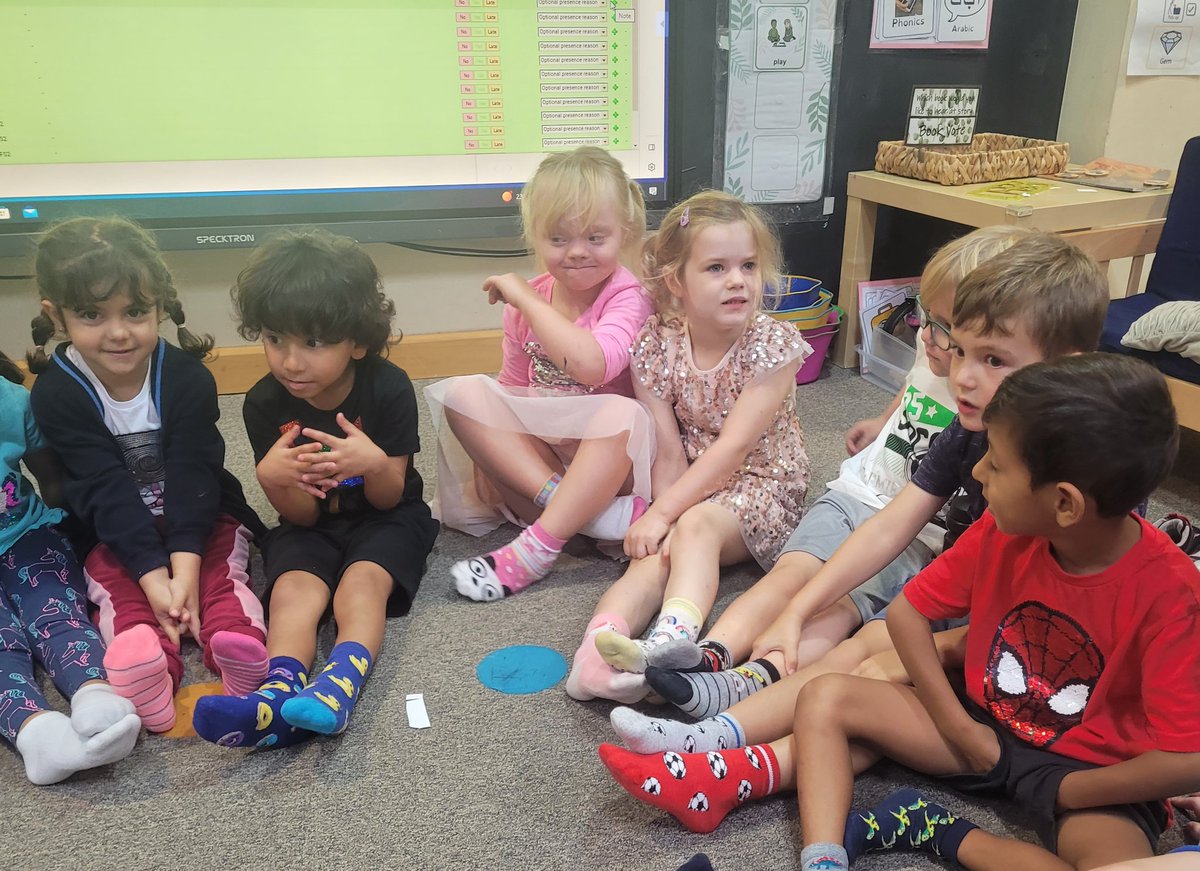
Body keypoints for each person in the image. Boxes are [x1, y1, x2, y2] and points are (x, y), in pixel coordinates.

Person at [596, 233, 1112, 834]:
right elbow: (896, 526)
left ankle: (723, 763)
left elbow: (1086, 605)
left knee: (864, 679)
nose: (963, 378)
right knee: (858, 653)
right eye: (960, 349)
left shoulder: (1077, 474)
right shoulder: (975, 428)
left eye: (992, 360)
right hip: (977, 620)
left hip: (1024, 662)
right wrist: (799, 612)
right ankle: (709, 736)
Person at [786, 354, 1200, 871]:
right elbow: (907, 616)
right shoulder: (1001, 528)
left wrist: (1072, 791)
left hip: (1093, 771)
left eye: (997, 464)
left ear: (1065, 505)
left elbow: (1188, 761)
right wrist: (957, 726)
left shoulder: (1174, 595)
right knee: (824, 696)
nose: (978, 470)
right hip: (983, 728)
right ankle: (823, 861)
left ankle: (946, 833)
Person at [639, 226, 1032, 721]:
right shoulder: (940, 357)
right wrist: (883, 420)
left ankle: (751, 681)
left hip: (916, 524)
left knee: (844, 605)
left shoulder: (978, 398)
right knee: (794, 573)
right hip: (858, 490)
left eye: (946, 329)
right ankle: (710, 655)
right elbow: (916, 390)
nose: (929, 337)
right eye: (927, 320)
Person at [193, 229, 437, 748]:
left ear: (358, 341)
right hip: (314, 524)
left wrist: (372, 462)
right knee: (292, 591)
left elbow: (389, 497)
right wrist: (271, 479)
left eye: (313, 342)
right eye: (274, 339)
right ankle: (277, 694)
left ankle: (337, 688)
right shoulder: (262, 403)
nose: (291, 361)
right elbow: (301, 517)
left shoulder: (388, 387)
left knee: (360, 585)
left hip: (388, 518)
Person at [565, 190, 812, 704]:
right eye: (717, 267)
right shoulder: (656, 342)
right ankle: (593, 660)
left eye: (748, 265)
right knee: (656, 555)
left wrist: (667, 514)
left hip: (764, 484)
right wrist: (663, 516)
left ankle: (666, 646)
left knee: (692, 527)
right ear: (677, 281)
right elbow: (667, 446)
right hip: (694, 481)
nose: (738, 280)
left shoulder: (772, 346)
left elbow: (733, 451)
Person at [27, 217, 267, 734]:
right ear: (57, 315)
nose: (118, 331)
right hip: (111, 529)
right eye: (92, 314)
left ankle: (235, 645)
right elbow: (101, 490)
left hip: (202, 515)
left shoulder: (185, 376)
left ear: (159, 304)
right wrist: (154, 579)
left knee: (221, 571)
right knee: (118, 589)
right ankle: (146, 669)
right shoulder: (57, 393)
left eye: (135, 311)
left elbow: (193, 475)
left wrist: (182, 571)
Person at [424, 146, 654, 602]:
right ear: (535, 236)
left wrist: (527, 300)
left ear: (623, 232)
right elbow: (511, 392)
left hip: (611, 467)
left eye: (595, 237)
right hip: (545, 470)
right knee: (465, 393)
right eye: (558, 239)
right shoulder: (531, 300)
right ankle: (587, 517)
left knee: (620, 415)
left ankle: (537, 548)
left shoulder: (629, 296)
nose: (576, 253)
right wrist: (499, 459)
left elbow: (594, 365)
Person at [0, 350, 141, 784]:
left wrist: (77, 539)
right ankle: (35, 732)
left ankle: (94, 693)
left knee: (58, 615)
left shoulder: (10, 399)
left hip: (26, 534)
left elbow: (51, 479)